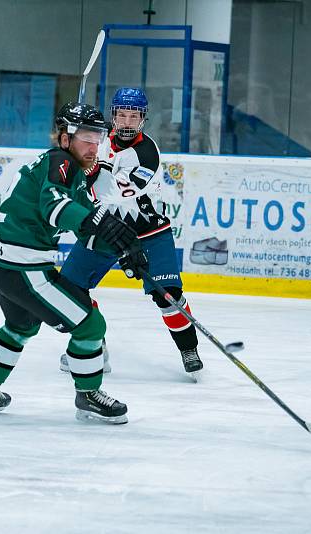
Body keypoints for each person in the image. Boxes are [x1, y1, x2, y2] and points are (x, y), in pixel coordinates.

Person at [0, 102, 148, 424]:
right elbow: (55, 207)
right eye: (86, 138)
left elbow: (86, 222)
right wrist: (100, 224)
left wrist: (125, 249)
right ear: (64, 138)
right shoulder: (60, 162)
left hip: (3, 264)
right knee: (91, 325)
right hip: (25, 269)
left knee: (21, 326)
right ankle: (88, 395)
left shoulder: (72, 171)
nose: (93, 146)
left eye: (98, 138)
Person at [59, 87, 205, 381]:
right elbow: (73, 174)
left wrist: (92, 170)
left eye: (134, 116)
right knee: (68, 290)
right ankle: (94, 343)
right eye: (122, 115)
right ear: (113, 116)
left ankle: (189, 349)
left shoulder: (147, 152)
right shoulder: (94, 142)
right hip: (104, 228)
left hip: (149, 230)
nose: (127, 121)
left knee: (169, 297)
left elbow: (119, 190)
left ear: (142, 120)